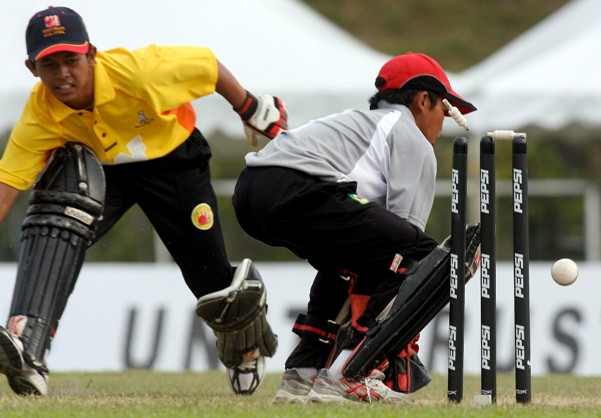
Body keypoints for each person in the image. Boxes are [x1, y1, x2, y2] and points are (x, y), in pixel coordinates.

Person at [0, 6, 287, 397]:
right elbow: (7, 185)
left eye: (71, 59)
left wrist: (250, 107)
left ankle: (244, 345)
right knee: (53, 230)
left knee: (211, 280)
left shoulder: (140, 71)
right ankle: (28, 345)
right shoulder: (40, 113)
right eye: (50, 64)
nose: (63, 73)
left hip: (174, 164)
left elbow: (207, 66)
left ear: (91, 54)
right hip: (105, 174)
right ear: (33, 67)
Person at [232, 52, 477, 403]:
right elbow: (404, 249)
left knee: (346, 261)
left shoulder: (358, 120)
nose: (443, 123)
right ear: (424, 100)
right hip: (296, 187)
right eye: (446, 110)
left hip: (250, 192)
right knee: (425, 256)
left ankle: (303, 375)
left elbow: (376, 248)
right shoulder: (410, 135)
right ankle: (351, 371)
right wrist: (395, 333)